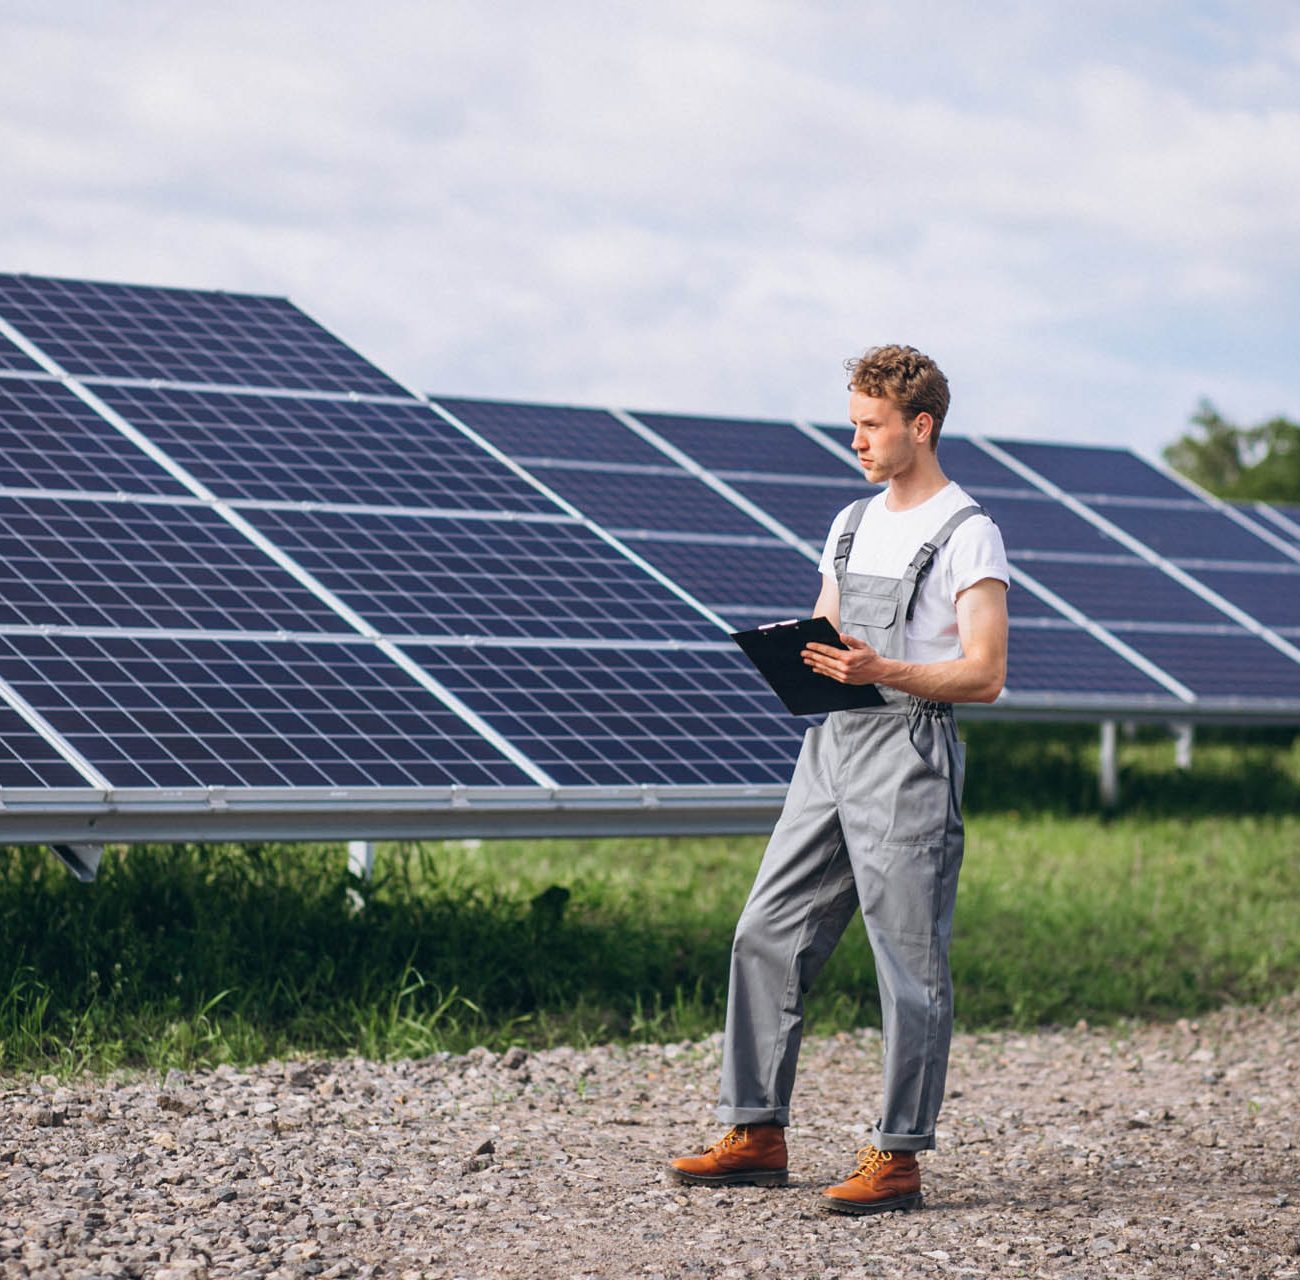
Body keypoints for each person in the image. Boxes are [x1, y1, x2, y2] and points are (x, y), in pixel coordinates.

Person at [669, 344, 1009, 1215]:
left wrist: (882, 671)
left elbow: (984, 673)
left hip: (909, 753)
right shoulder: (850, 521)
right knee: (764, 930)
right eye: (852, 422)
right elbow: (829, 637)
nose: (855, 440)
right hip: (830, 747)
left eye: (870, 425)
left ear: (919, 426)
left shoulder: (969, 532)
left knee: (908, 959)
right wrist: (795, 655)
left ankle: (896, 1154)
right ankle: (755, 1129)